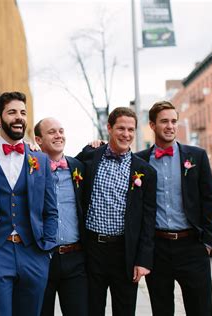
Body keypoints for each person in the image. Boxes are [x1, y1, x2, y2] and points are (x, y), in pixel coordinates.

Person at [0, 91, 58, 316]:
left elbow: (50, 209)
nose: (19, 117)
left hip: (33, 252)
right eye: (12, 112)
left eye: (23, 113)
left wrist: (47, 249)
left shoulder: (40, 159)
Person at [137, 100, 212, 316]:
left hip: (192, 246)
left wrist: (208, 242)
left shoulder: (196, 156)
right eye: (164, 121)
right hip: (158, 249)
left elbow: (209, 200)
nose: (170, 126)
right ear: (152, 125)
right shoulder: (139, 161)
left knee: (200, 309)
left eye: (174, 121)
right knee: (161, 310)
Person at [76, 107, 157, 316]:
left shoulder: (145, 171)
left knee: (125, 310)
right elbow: (60, 165)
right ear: (109, 128)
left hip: (125, 252)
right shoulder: (89, 157)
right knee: (92, 309)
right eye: (121, 128)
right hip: (93, 249)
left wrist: (143, 260)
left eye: (131, 129)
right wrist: (34, 148)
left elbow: (148, 219)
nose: (126, 134)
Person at [34, 117, 88, 316]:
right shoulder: (30, 168)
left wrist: (96, 144)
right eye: (52, 132)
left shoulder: (79, 167)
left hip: (75, 258)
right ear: (38, 140)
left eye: (61, 131)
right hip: (42, 258)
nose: (58, 135)